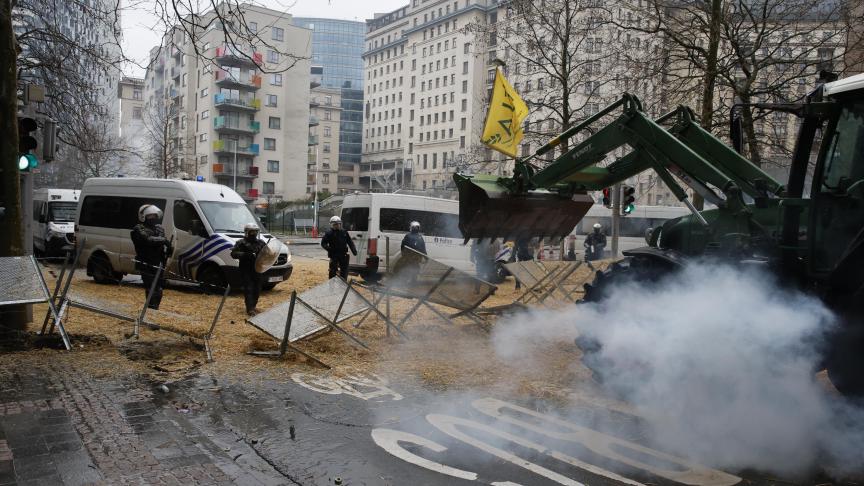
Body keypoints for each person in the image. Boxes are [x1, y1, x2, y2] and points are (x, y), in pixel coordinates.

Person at [131, 204, 171, 309]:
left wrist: (169, 248)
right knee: (151, 288)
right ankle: (149, 309)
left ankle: (155, 309)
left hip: (158, 262)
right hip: (145, 262)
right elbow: (147, 240)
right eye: (150, 216)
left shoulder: (159, 228)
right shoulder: (138, 228)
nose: (153, 218)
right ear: (143, 216)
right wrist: (164, 241)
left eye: (154, 215)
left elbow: (161, 242)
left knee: (159, 288)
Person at [231, 223, 266, 316]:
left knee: (257, 289)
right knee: (249, 288)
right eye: (252, 231)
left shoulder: (261, 243)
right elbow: (233, 254)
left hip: (258, 269)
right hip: (245, 269)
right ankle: (250, 309)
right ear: (247, 232)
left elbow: (267, 253)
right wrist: (245, 255)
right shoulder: (241, 242)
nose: (253, 233)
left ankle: (253, 306)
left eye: (255, 231)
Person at [321, 215, 357, 280]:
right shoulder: (329, 233)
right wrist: (329, 249)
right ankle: (331, 285)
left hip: (343, 254)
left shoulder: (344, 232)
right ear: (332, 225)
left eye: (338, 224)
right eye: (335, 224)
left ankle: (343, 283)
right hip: (334, 255)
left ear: (340, 224)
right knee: (332, 271)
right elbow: (323, 243)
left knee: (344, 271)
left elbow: (350, 242)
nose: (337, 226)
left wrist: (354, 250)